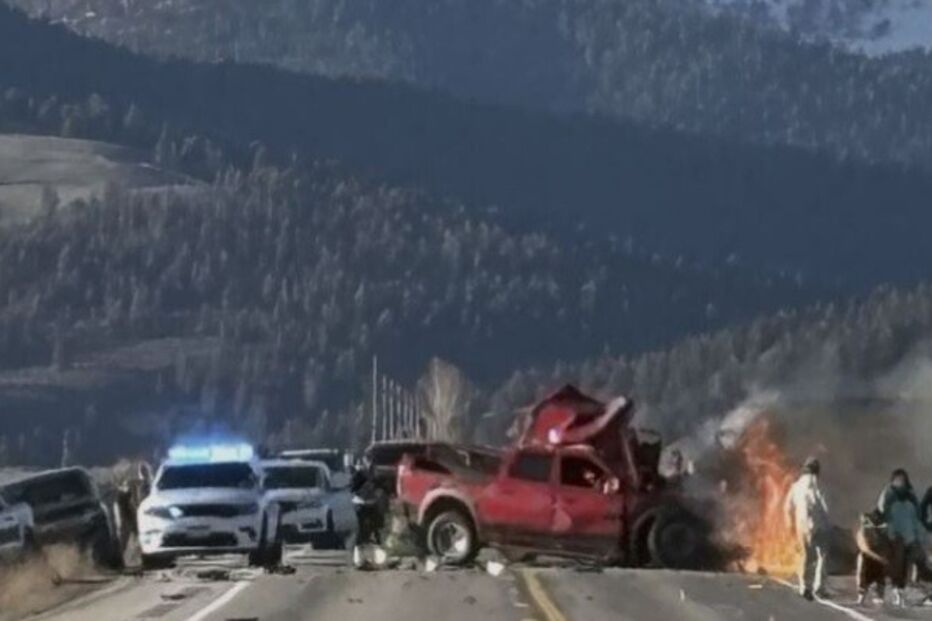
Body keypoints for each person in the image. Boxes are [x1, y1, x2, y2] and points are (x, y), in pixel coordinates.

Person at [877, 468, 931, 607]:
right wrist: (889, 533)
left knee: (914, 565)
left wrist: (921, 534)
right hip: (896, 537)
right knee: (898, 566)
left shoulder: (910, 497)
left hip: (911, 537)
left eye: (903, 479)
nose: (900, 482)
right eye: (898, 479)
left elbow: (918, 516)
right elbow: (883, 512)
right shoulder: (888, 495)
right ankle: (897, 593)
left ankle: (904, 592)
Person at [784, 456, 831, 601]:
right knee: (822, 555)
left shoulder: (796, 485)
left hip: (801, 525)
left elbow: (787, 507)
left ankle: (804, 587)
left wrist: (789, 524)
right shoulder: (818, 485)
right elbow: (826, 506)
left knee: (805, 556)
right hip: (819, 525)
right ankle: (819, 587)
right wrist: (829, 523)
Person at [855, 509, 890, 606]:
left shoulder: (879, 531)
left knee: (880, 576)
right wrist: (880, 558)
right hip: (868, 558)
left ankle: (879, 595)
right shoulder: (862, 532)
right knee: (863, 573)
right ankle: (861, 597)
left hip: (877, 559)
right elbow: (865, 548)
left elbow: (884, 544)